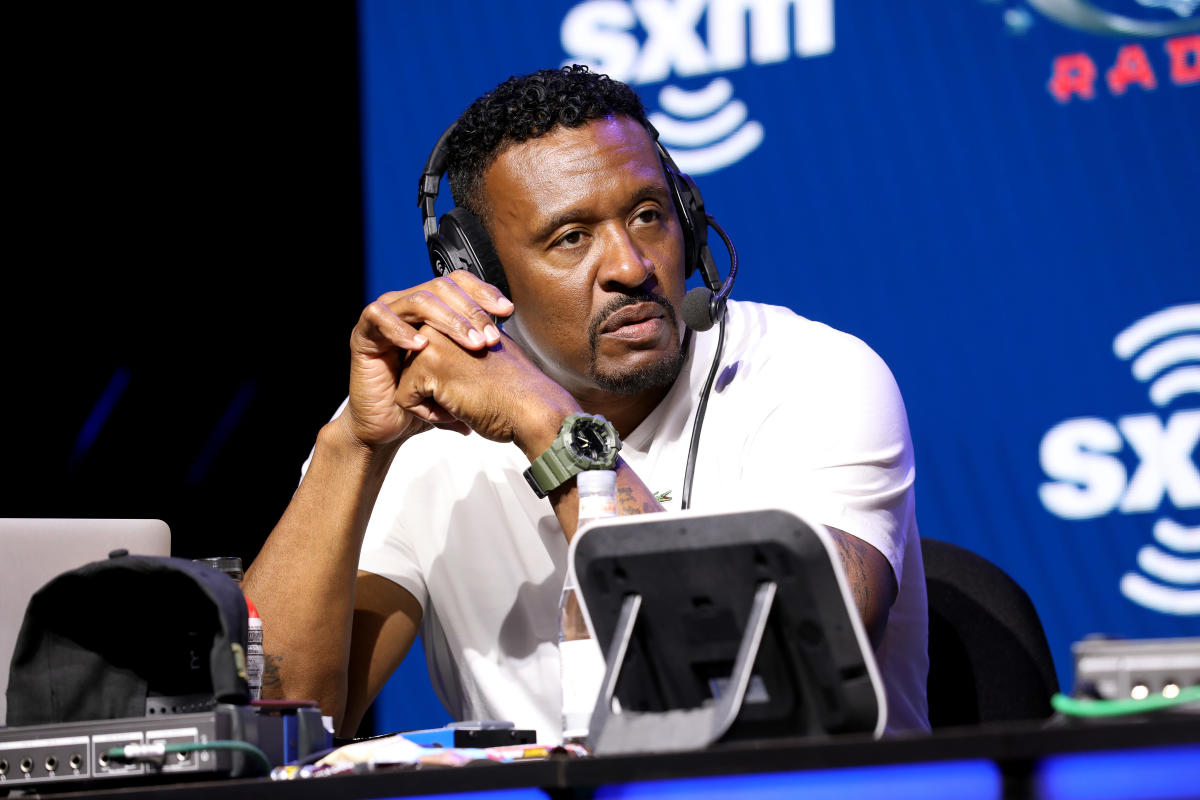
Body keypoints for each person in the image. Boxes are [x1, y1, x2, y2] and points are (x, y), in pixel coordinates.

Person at [243, 65, 928, 743]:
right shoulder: (423, 429)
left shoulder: (814, 376)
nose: (631, 266)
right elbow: (267, 727)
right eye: (570, 238)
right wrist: (353, 446)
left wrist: (548, 423)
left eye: (649, 216)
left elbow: (759, 680)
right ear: (476, 274)